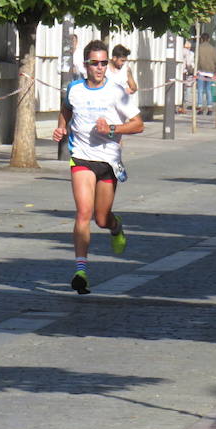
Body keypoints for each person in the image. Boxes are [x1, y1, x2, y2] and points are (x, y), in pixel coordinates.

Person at [52, 40, 144, 295]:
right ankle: (80, 271)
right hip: (81, 156)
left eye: (104, 62)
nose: (100, 67)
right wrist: (62, 127)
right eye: (95, 63)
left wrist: (112, 129)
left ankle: (115, 226)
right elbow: (66, 110)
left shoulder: (117, 92)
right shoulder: (74, 89)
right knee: (83, 212)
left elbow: (138, 124)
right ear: (86, 65)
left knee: (101, 218)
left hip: (108, 161)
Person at [196, 32, 216, 115]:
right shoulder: (212, 48)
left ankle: (200, 108)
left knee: (200, 90)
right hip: (210, 71)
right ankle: (210, 108)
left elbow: (196, 60)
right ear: (209, 39)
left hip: (201, 70)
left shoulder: (199, 48)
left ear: (201, 39)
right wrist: (215, 70)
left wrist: (196, 69)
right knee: (209, 90)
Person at [178, 40, 195, 114]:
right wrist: (191, 70)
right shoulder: (188, 53)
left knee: (178, 89)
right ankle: (182, 107)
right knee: (183, 90)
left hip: (177, 71)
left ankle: (178, 106)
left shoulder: (179, 50)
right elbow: (188, 63)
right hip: (184, 72)